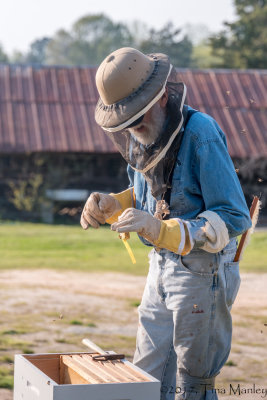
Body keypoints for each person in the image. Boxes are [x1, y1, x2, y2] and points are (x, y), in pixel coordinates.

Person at [80, 47, 252, 400]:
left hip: (203, 273)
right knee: (145, 375)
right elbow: (149, 196)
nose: (133, 129)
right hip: (158, 267)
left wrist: (164, 230)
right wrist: (115, 203)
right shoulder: (141, 137)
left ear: (161, 97)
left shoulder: (200, 132)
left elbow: (235, 216)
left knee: (192, 384)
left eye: (137, 118)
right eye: (126, 122)